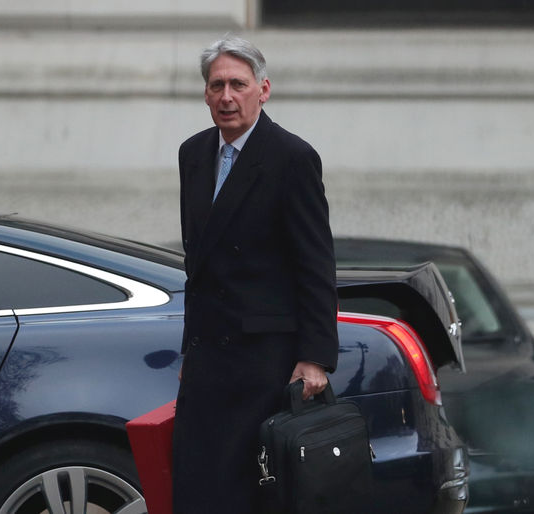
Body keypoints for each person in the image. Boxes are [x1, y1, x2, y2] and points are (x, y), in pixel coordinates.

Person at [172, 35, 340, 514]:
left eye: (238, 85)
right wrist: (192, 347)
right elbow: (196, 263)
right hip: (208, 358)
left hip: (265, 361)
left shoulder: (291, 157)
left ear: (263, 90)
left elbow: (315, 263)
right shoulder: (192, 154)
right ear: (205, 94)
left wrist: (314, 357)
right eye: (217, 85)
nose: (227, 96)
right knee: (198, 486)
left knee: (254, 490)